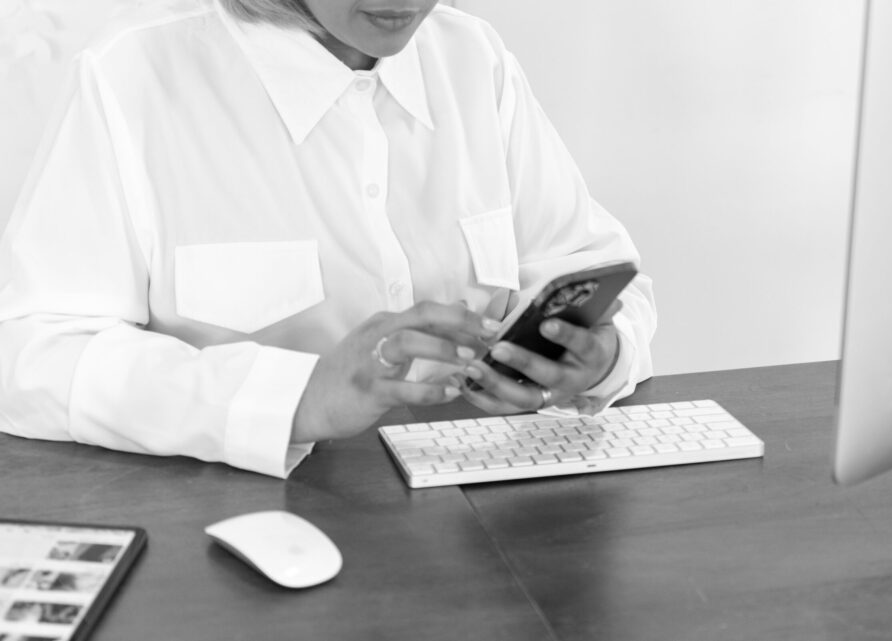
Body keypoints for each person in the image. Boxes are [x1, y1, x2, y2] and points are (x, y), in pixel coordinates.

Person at [0, 0, 656, 478]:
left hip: (485, 520)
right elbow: (26, 357)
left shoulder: (472, 57)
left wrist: (598, 356)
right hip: (234, 539)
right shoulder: (137, 72)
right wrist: (299, 398)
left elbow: (595, 267)